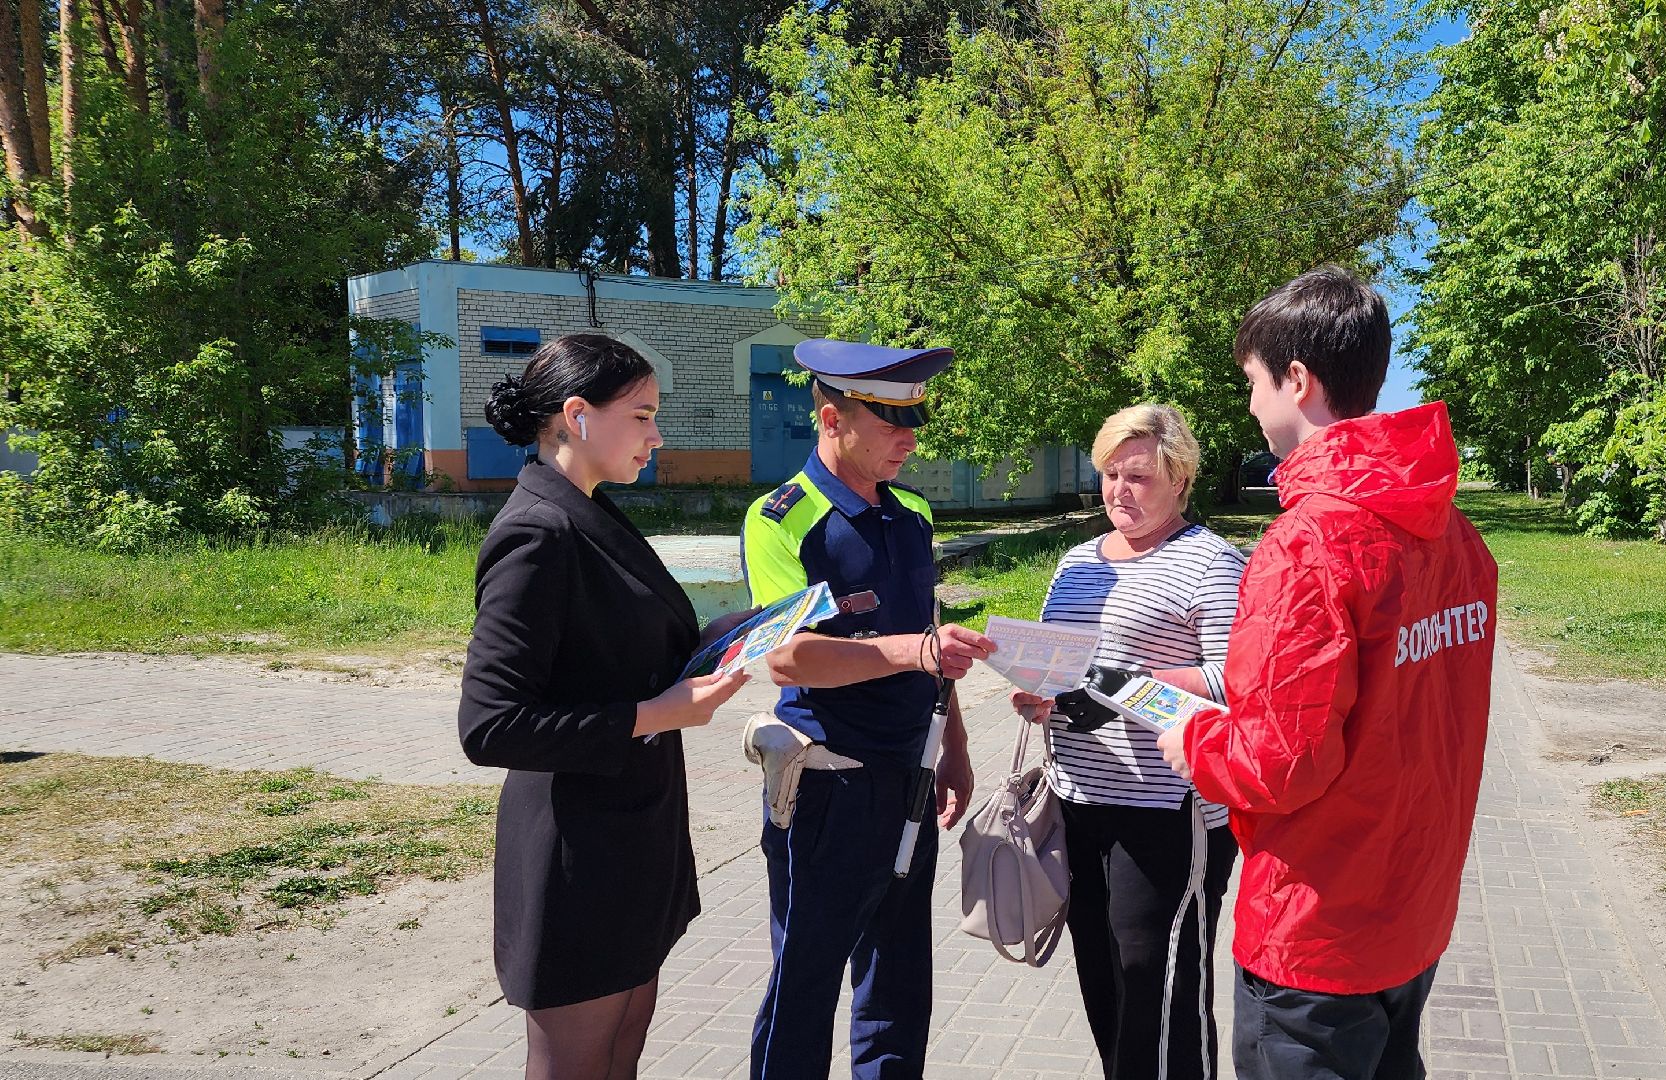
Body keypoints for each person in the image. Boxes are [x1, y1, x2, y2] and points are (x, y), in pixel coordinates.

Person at [1157, 266, 1500, 1080]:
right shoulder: (1452, 532)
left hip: (1315, 932)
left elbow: (1279, 762)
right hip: (1410, 908)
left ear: (1298, 380)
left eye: (1252, 382)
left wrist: (1192, 740)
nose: (1249, 406)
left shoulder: (1308, 544)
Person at [458, 333, 751, 1079]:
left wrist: (732, 636)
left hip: (632, 837)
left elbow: (622, 653)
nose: (657, 436)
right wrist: (657, 714)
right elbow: (490, 726)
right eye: (644, 415)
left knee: (622, 1053)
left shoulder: (591, 510)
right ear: (578, 415)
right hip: (575, 854)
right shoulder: (536, 532)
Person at [741, 338, 994, 1080]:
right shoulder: (781, 517)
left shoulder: (911, 512)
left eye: (913, 423)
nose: (908, 440)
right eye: (888, 423)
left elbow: (935, 646)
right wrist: (911, 649)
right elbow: (785, 657)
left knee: (897, 978)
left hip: (911, 776)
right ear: (831, 419)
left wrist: (955, 749)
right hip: (830, 787)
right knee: (806, 979)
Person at [1009, 404, 1246, 1080]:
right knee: (1104, 978)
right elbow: (1062, 665)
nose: (1120, 490)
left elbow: (1233, 679)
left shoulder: (1209, 562)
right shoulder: (1077, 562)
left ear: (1179, 479)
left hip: (1168, 812)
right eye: (1110, 474)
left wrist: (1122, 685)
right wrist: (1040, 696)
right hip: (1078, 801)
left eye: (1138, 476)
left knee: (1159, 985)